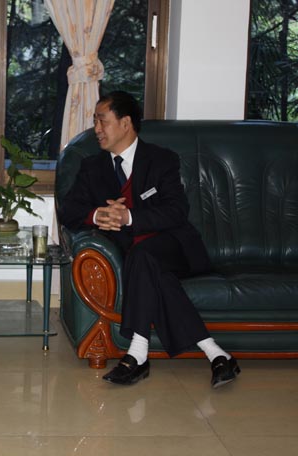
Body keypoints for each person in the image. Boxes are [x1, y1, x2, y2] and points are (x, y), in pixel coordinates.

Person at [58, 91, 240, 388]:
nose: (96, 129)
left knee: (143, 257)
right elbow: (68, 211)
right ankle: (216, 354)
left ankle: (138, 355)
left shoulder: (161, 160)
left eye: (102, 121)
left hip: (174, 247)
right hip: (136, 257)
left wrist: (128, 217)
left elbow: (176, 211)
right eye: (95, 122)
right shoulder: (92, 167)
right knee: (147, 265)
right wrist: (98, 215)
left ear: (126, 123)